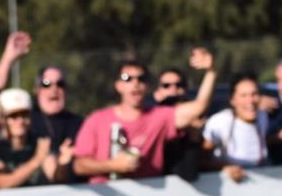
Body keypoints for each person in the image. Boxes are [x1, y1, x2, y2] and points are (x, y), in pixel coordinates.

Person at [70, 48, 216, 183]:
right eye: (127, 78)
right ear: (118, 86)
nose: (135, 83)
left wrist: (211, 71)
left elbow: (199, 107)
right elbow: (79, 165)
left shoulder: (159, 116)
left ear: (147, 86)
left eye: (141, 78)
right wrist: (113, 165)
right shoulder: (97, 119)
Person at [0, 88, 72, 188]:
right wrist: (36, 160)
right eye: (13, 116)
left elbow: (56, 177)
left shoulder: (40, 142)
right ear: (3, 120)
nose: (20, 121)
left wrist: (63, 164)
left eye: (24, 115)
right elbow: (3, 183)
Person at [203, 72, 271, 179]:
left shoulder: (263, 116)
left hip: (262, 185)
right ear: (233, 100)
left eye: (254, 94)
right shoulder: (220, 122)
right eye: (243, 95)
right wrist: (226, 168)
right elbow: (201, 160)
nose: (250, 101)